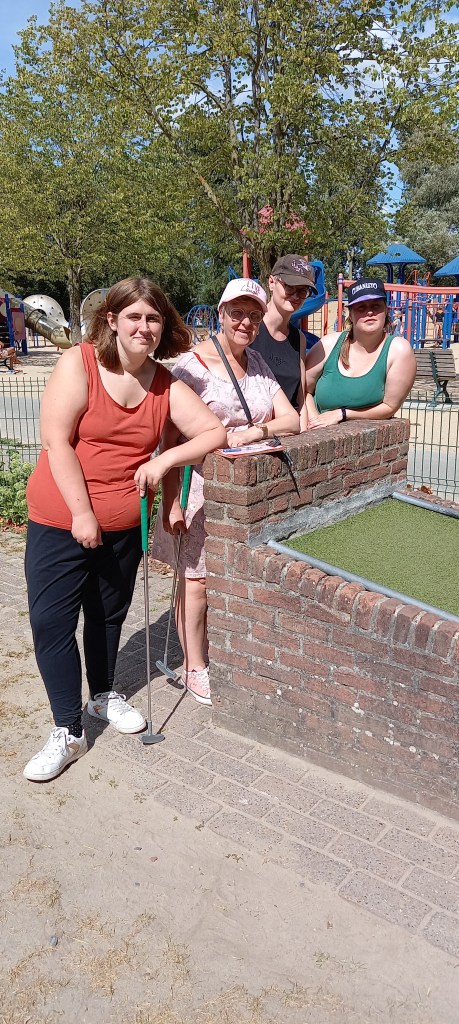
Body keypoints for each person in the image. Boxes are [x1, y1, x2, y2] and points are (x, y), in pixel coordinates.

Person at [23, 277, 226, 782]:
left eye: (153, 318)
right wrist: (82, 514)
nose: (144, 327)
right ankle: (68, 729)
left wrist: (165, 460)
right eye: (134, 316)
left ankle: (102, 695)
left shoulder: (164, 383)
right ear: (112, 320)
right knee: (52, 624)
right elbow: (56, 441)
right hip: (60, 519)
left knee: (108, 616)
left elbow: (213, 431)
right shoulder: (80, 364)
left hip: (123, 525)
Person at [153, 278, 300, 707]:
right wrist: (172, 500)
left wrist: (252, 432)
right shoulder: (191, 367)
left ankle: (213, 648)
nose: (245, 322)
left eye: (254, 315)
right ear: (220, 313)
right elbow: (168, 440)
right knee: (195, 580)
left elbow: (292, 420)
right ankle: (193, 664)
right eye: (237, 312)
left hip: (244, 493)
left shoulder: (257, 362)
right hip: (198, 488)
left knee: (226, 576)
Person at [305, 278, 416, 428]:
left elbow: (390, 407)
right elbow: (303, 390)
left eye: (376, 306)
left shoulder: (398, 351)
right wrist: (315, 423)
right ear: (350, 314)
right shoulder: (328, 345)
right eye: (361, 307)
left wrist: (342, 414)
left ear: (386, 310)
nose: (369, 312)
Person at [250, 254, 317, 431]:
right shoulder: (249, 328)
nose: (295, 295)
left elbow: (301, 399)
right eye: (289, 286)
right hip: (254, 432)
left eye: (302, 291)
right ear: (272, 282)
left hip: (289, 432)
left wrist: (303, 436)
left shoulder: (299, 339)